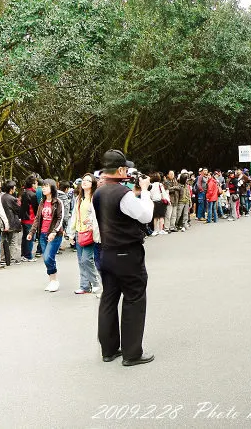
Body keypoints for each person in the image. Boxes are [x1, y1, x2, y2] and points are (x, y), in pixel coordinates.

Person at [92, 149, 154, 367]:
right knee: (134, 299)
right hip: (127, 253)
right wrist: (144, 192)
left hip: (106, 252)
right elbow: (146, 216)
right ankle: (132, 353)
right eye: (125, 168)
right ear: (120, 170)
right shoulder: (123, 193)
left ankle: (108, 350)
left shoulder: (98, 193)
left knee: (108, 299)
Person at [27, 179, 64, 292]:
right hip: (42, 234)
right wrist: (31, 232)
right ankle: (52, 281)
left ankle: (55, 280)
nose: (43, 188)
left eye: (46, 186)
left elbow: (60, 218)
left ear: (52, 188)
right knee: (46, 259)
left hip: (54, 235)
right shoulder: (42, 202)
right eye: (43, 186)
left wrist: (54, 232)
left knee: (48, 257)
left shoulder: (58, 202)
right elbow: (37, 218)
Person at [67, 173, 101, 294]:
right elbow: (74, 216)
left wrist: (91, 220)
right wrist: (71, 234)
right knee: (81, 261)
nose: (85, 182)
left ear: (93, 184)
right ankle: (85, 286)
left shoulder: (95, 198)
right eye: (83, 180)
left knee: (87, 259)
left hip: (90, 232)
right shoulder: (78, 199)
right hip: (79, 232)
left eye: (88, 180)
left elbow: (99, 213)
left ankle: (96, 282)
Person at [0, 180, 21, 266]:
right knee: (13, 241)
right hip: (12, 222)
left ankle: (3, 258)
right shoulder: (12, 199)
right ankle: (11, 258)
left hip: (3, 222)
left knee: (3, 241)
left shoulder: (2, 197)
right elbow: (18, 210)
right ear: (11, 189)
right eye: (14, 187)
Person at [19, 175, 38, 262]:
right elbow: (35, 208)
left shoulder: (24, 193)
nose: (37, 184)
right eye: (36, 183)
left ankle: (24, 254)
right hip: (30, 218)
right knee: (30, 237)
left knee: (25, 237)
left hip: (24, 218)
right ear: (33, 184)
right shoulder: (32, 194)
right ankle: (28, 255)